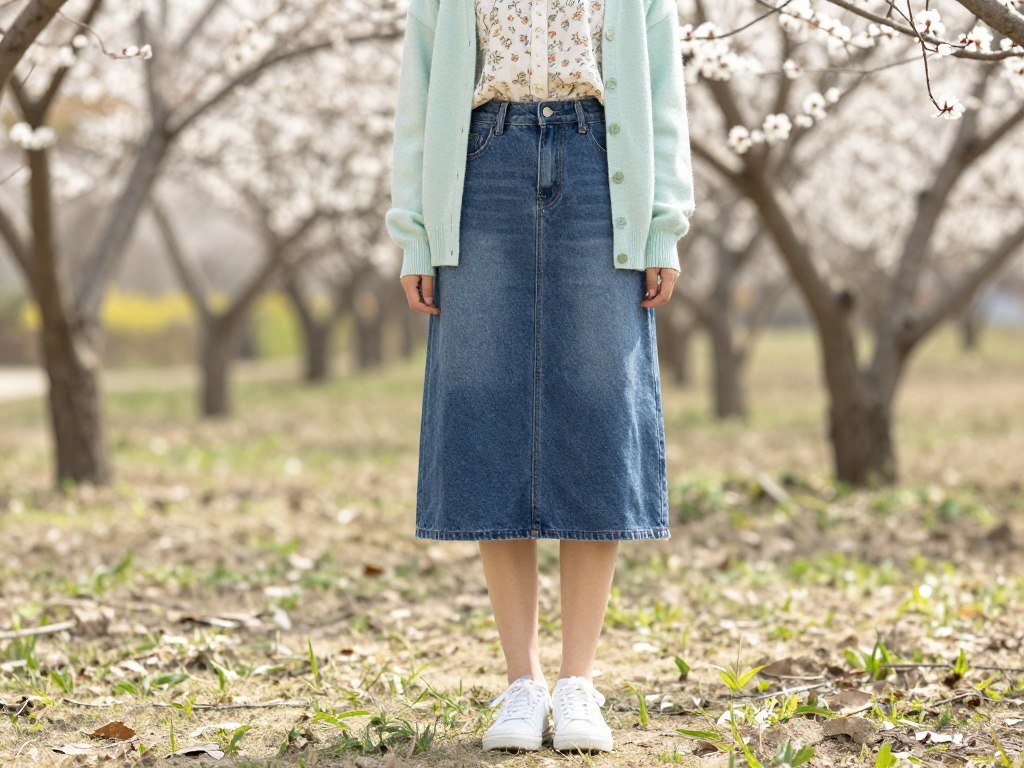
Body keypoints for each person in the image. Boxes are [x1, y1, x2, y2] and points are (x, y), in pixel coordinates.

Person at [385, 0, 695, 753]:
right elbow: (419, 100)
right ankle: (521, 682)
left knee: (596, 410)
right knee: (490, 407)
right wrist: (414, 237)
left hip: (601, 170)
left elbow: (662, 96)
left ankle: (578, 681)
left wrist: (663, 224)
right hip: (481, 165)